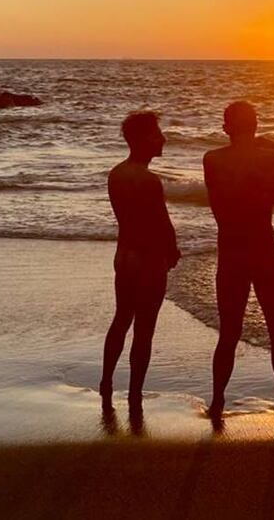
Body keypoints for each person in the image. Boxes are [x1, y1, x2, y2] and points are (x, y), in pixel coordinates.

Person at [203, 101, 274, 422]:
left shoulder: (212, 159)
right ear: (256, 125)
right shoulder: (268, 156)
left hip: (230, 250)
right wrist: (273, 156)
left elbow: (218, 199)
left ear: (226, 127)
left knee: (229, 332)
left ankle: (217, 402)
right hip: (263, 248)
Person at [100, 110, 180, 411]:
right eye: (157, 134)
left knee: (121, 319)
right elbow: (161, 221)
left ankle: (106, 381)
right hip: (148, 260)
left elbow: (129, 218)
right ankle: (135, 393)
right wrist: (172, 249)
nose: (162, 139)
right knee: (144, 329)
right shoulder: (149, 180)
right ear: (143, 139)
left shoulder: (116, 174)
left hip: (124, 256)